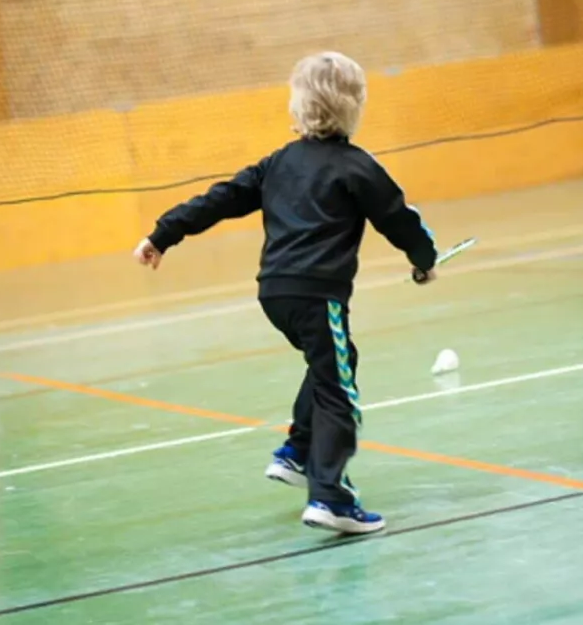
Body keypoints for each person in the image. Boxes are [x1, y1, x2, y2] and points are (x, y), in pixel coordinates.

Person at [132, 51, 437, 535]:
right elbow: (399, 218)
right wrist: (424, 258)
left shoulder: (277, 163)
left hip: (275, 292)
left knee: (332, 363)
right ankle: (330, 496)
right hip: (318, 294)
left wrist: (163, 233)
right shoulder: (357, 167)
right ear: (354, 106)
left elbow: (222, 197)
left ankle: (297, 452)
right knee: (339, 389)